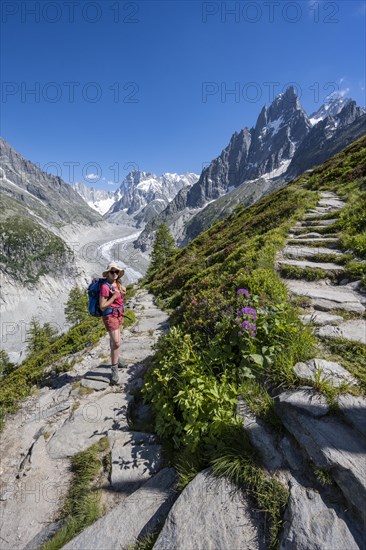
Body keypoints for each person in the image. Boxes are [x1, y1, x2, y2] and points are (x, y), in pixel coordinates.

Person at [99, 262, 127, 385]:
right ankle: (114, 369)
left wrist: (122, 293)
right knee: (117, 342)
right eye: (112, 272)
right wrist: (114, 297)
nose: (115, 274)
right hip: (110, 316)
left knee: (115, 340)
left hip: (119, 314)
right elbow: (102, 306)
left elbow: (120, 298)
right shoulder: (105, 287)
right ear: (108, 273)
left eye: (116, 272)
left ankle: (117, 359)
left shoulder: (118, 283)